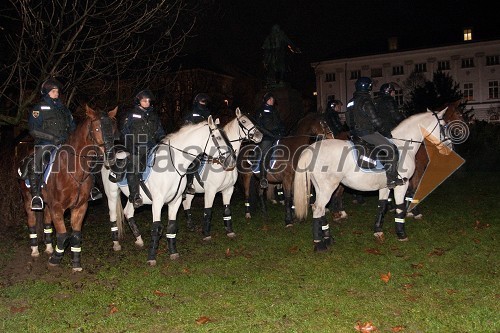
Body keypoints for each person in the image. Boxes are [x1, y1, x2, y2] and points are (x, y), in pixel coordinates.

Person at [345, 77, 405, 188]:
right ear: (368, 87)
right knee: (391, 148)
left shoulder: (350, 102)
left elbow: (347, 120)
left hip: (354, 134)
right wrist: (385, 132)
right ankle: (392, 179)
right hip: (367, 133)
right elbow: (376, 121)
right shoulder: (366, 101)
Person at [28, 78, 76, 210]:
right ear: (46, 93)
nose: (57, 93)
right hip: (46, 143)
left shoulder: (64, 110)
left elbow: (72, 127)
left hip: (65, 144)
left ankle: (91, 189)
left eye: (57, 91)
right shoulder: (39, 109)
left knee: (83, 159)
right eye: (53, 91)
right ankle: (36, 195)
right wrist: (52, 138)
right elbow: (33, 130)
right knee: (37, 162)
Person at [122, 89, 166, 208]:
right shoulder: (131, 114)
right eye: (144, 100)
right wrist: (131, 148)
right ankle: (135, 195)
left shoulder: (154, 115)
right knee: (133, 167)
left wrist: (163, 140)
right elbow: (125, 132)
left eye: (148, 100)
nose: (147, 102)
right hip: (136, 146)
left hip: (152, 146)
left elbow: (159, 131)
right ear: (139, 101)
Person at [254, 92, 285, 188]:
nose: (273, 100)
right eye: (271, 99)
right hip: (266, 137)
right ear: (267, 100)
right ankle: (263, 178)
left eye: (273, 99)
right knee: (265, 154)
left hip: (276, 136)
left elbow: (279, 123)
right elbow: (261, 126)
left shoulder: (274, 110)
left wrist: (282, 130)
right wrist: (270, 134)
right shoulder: (260, 111)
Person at [182, 93, 211, 195]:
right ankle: (188, 184)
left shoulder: (208, 114)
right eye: (201, 101)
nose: (203, 103)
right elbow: (186, 128)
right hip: (193, 142)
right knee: (192, 161)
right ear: (196, 102)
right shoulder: (191, 113)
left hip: (205, 142)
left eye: (205, 102)